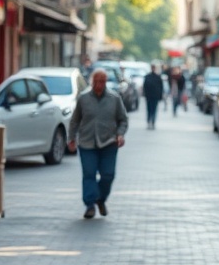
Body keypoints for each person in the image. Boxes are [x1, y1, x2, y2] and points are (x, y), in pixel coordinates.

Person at [67, 68, 129, 219]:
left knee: (108, 175)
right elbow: (75, 120)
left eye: (102, 81)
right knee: (89, 174)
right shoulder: (84, 98)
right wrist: (71, 138)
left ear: (106, 82)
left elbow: (123, 120)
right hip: (87, 143)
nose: (99, 85)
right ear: (92, 81)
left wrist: (120, 134)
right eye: (96, 81)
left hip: (109, 143)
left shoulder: (114, 99)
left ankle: (100, 199)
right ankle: (89, 205)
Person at [142, 63, 164, 129]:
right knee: (149, 109)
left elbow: (161, 87)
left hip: (155, 96)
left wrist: (160, 96)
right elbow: (145, 86)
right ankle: (149, 121)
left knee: (154, 110)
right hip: (149, 96)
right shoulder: (148, 77)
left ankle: (153, 122)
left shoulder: (157, 77)